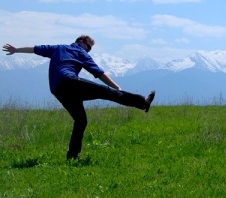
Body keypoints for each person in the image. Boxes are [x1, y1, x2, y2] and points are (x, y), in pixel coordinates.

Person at [3, 35, 155, 161]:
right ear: (80, 42)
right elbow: (100, 74)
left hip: (57, 90)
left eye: (89, 49)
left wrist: (16, 50)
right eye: (88, 47)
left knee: (81, 120)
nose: (88, 51)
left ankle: (72, 156)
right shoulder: (80, 53)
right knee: (106, 91)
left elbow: (35, 49)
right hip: (69, 82)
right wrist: (118, 89)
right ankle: (142, 103)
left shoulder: (58, 48)